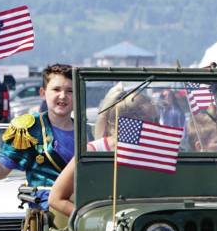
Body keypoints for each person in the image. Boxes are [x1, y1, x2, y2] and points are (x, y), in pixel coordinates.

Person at [0, 64, 74, 203]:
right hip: (48, 216)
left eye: (70, 91)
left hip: (85, 213)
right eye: (56, 89)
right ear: (43, 93)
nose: (63, 96)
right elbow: (0, 171)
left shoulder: (87, 133)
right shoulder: (28, 128)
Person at [48, 85, 162, 218]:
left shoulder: (157, 153)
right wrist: (91, 219)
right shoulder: (93, 151)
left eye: (157, 120)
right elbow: (56, 198)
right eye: (151, 121)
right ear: (128, 122)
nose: (158, 127)